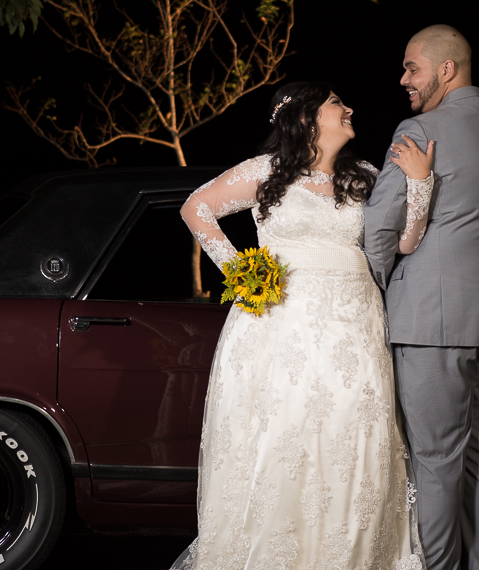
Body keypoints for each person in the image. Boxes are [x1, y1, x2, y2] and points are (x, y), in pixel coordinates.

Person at [175, 81, 433, 570]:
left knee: (352, 436)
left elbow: (404, 242)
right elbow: (197, 208)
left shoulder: (364, 176)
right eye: (338, 102)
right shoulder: (268, 172)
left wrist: (420, 183)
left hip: (354, 327)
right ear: (304, 118)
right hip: (279, 325)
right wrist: (241, 272)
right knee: (283, 436)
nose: (350, 107)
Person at [365, 25, 479, 570]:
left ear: (447, 69)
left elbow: (377, 230)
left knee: (436, 461)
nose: (403, 80)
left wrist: (375, 290)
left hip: (433, 327)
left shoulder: (420, 130)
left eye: (412, 68)